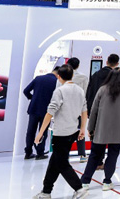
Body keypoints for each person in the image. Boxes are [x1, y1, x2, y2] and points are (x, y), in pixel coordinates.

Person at [32, 65, 89, 199]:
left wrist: (40, 133)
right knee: (55, 162)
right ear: (72, 75)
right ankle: (46, 191)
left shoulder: (60, 91)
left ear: (59, 76)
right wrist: (82, 129)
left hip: (61, 133)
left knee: (61, 163)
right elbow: (84, 111)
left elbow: (50, 112)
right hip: (72, 131)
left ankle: (79, 188)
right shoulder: (80, 90)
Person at [80, 69, 120, 192]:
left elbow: (94, 110)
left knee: (94, 155)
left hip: (101, 129)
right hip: (118, 130)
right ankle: (107, 181)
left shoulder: (102, 90)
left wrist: (90, 128)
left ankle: (85, 181)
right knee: (112, 156)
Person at [23, 66, 59, 160]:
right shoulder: (56, 82)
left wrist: (32, 98)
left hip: (34, 108)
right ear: (58, 74)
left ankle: (28, 152)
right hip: (46, 111)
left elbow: (26, 91)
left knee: (30, 131)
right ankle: (40, 153)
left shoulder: (38, 78)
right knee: (42, 131)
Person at [66, 58, 89, 162]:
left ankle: (65, 154)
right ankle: (82, 154)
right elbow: (85, 93)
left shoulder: (63, 77)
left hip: (66, 108)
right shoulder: (83, 77)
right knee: (80, 131)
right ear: (78, 65)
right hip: (79, 108)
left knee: (66, 132)